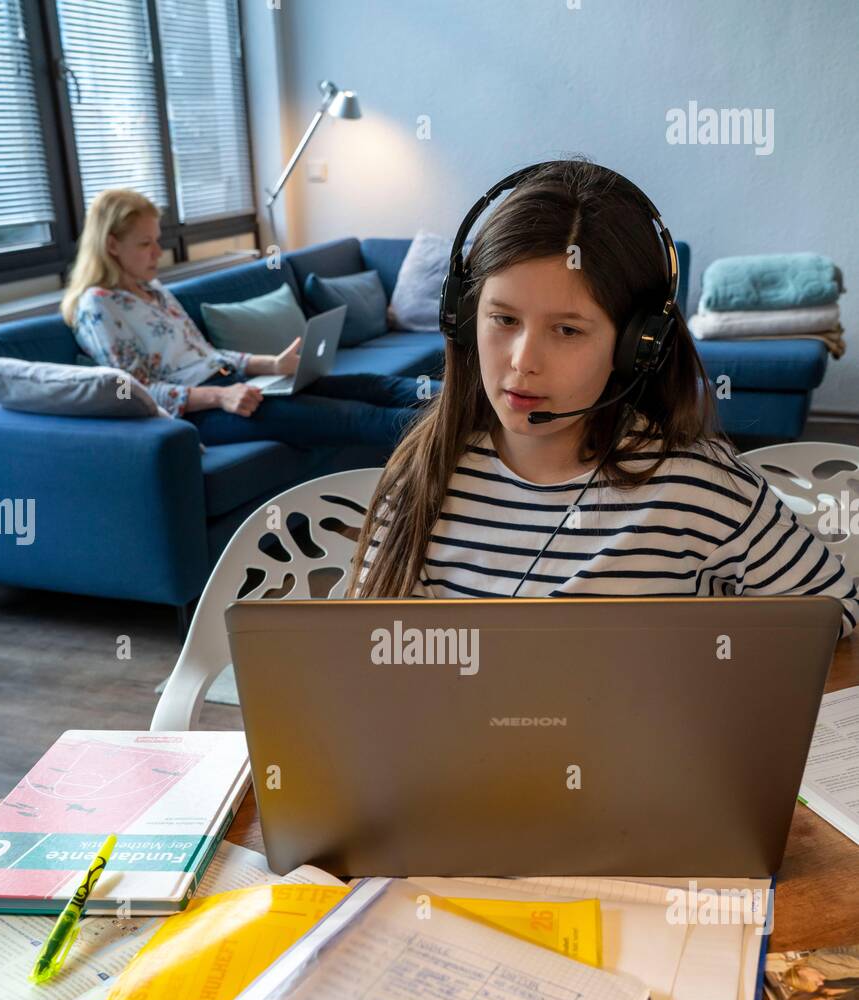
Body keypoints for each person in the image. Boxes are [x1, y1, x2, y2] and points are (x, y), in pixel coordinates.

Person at [345, 158, 858, 641]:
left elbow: (835, 610)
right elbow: (374, 647)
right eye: (503, 320)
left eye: (567, 330)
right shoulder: (423, 470)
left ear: (636, 346)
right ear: (464, 319)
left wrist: (709, 667)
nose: (523, 361)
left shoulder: (695, 484)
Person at [60, 188, 440, 452]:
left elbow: (207, 354)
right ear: (111, 244)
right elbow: (133, 392)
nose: (158, 251)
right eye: (146, 243)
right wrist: (221, 396)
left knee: (372, 385)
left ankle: (471, 404)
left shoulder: (154, 289)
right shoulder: (98, 307)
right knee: (358, 418)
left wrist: (270, 364)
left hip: (238, 385)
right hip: (203, 412)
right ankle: (467, 447)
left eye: (157, 239)